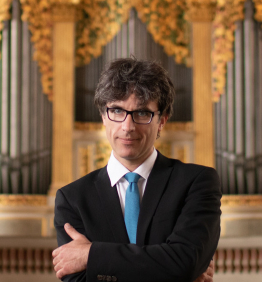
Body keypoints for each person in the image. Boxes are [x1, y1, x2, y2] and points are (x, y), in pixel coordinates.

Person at [51, 58, 221, 281]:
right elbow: (77, 279)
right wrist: (172, 271)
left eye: (142, 113)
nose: (127, 127)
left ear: (162, 120)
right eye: (117, 111)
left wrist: (92, 255)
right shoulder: (72, 198)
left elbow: (186, 261)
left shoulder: (197, 182)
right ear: (103, 116)